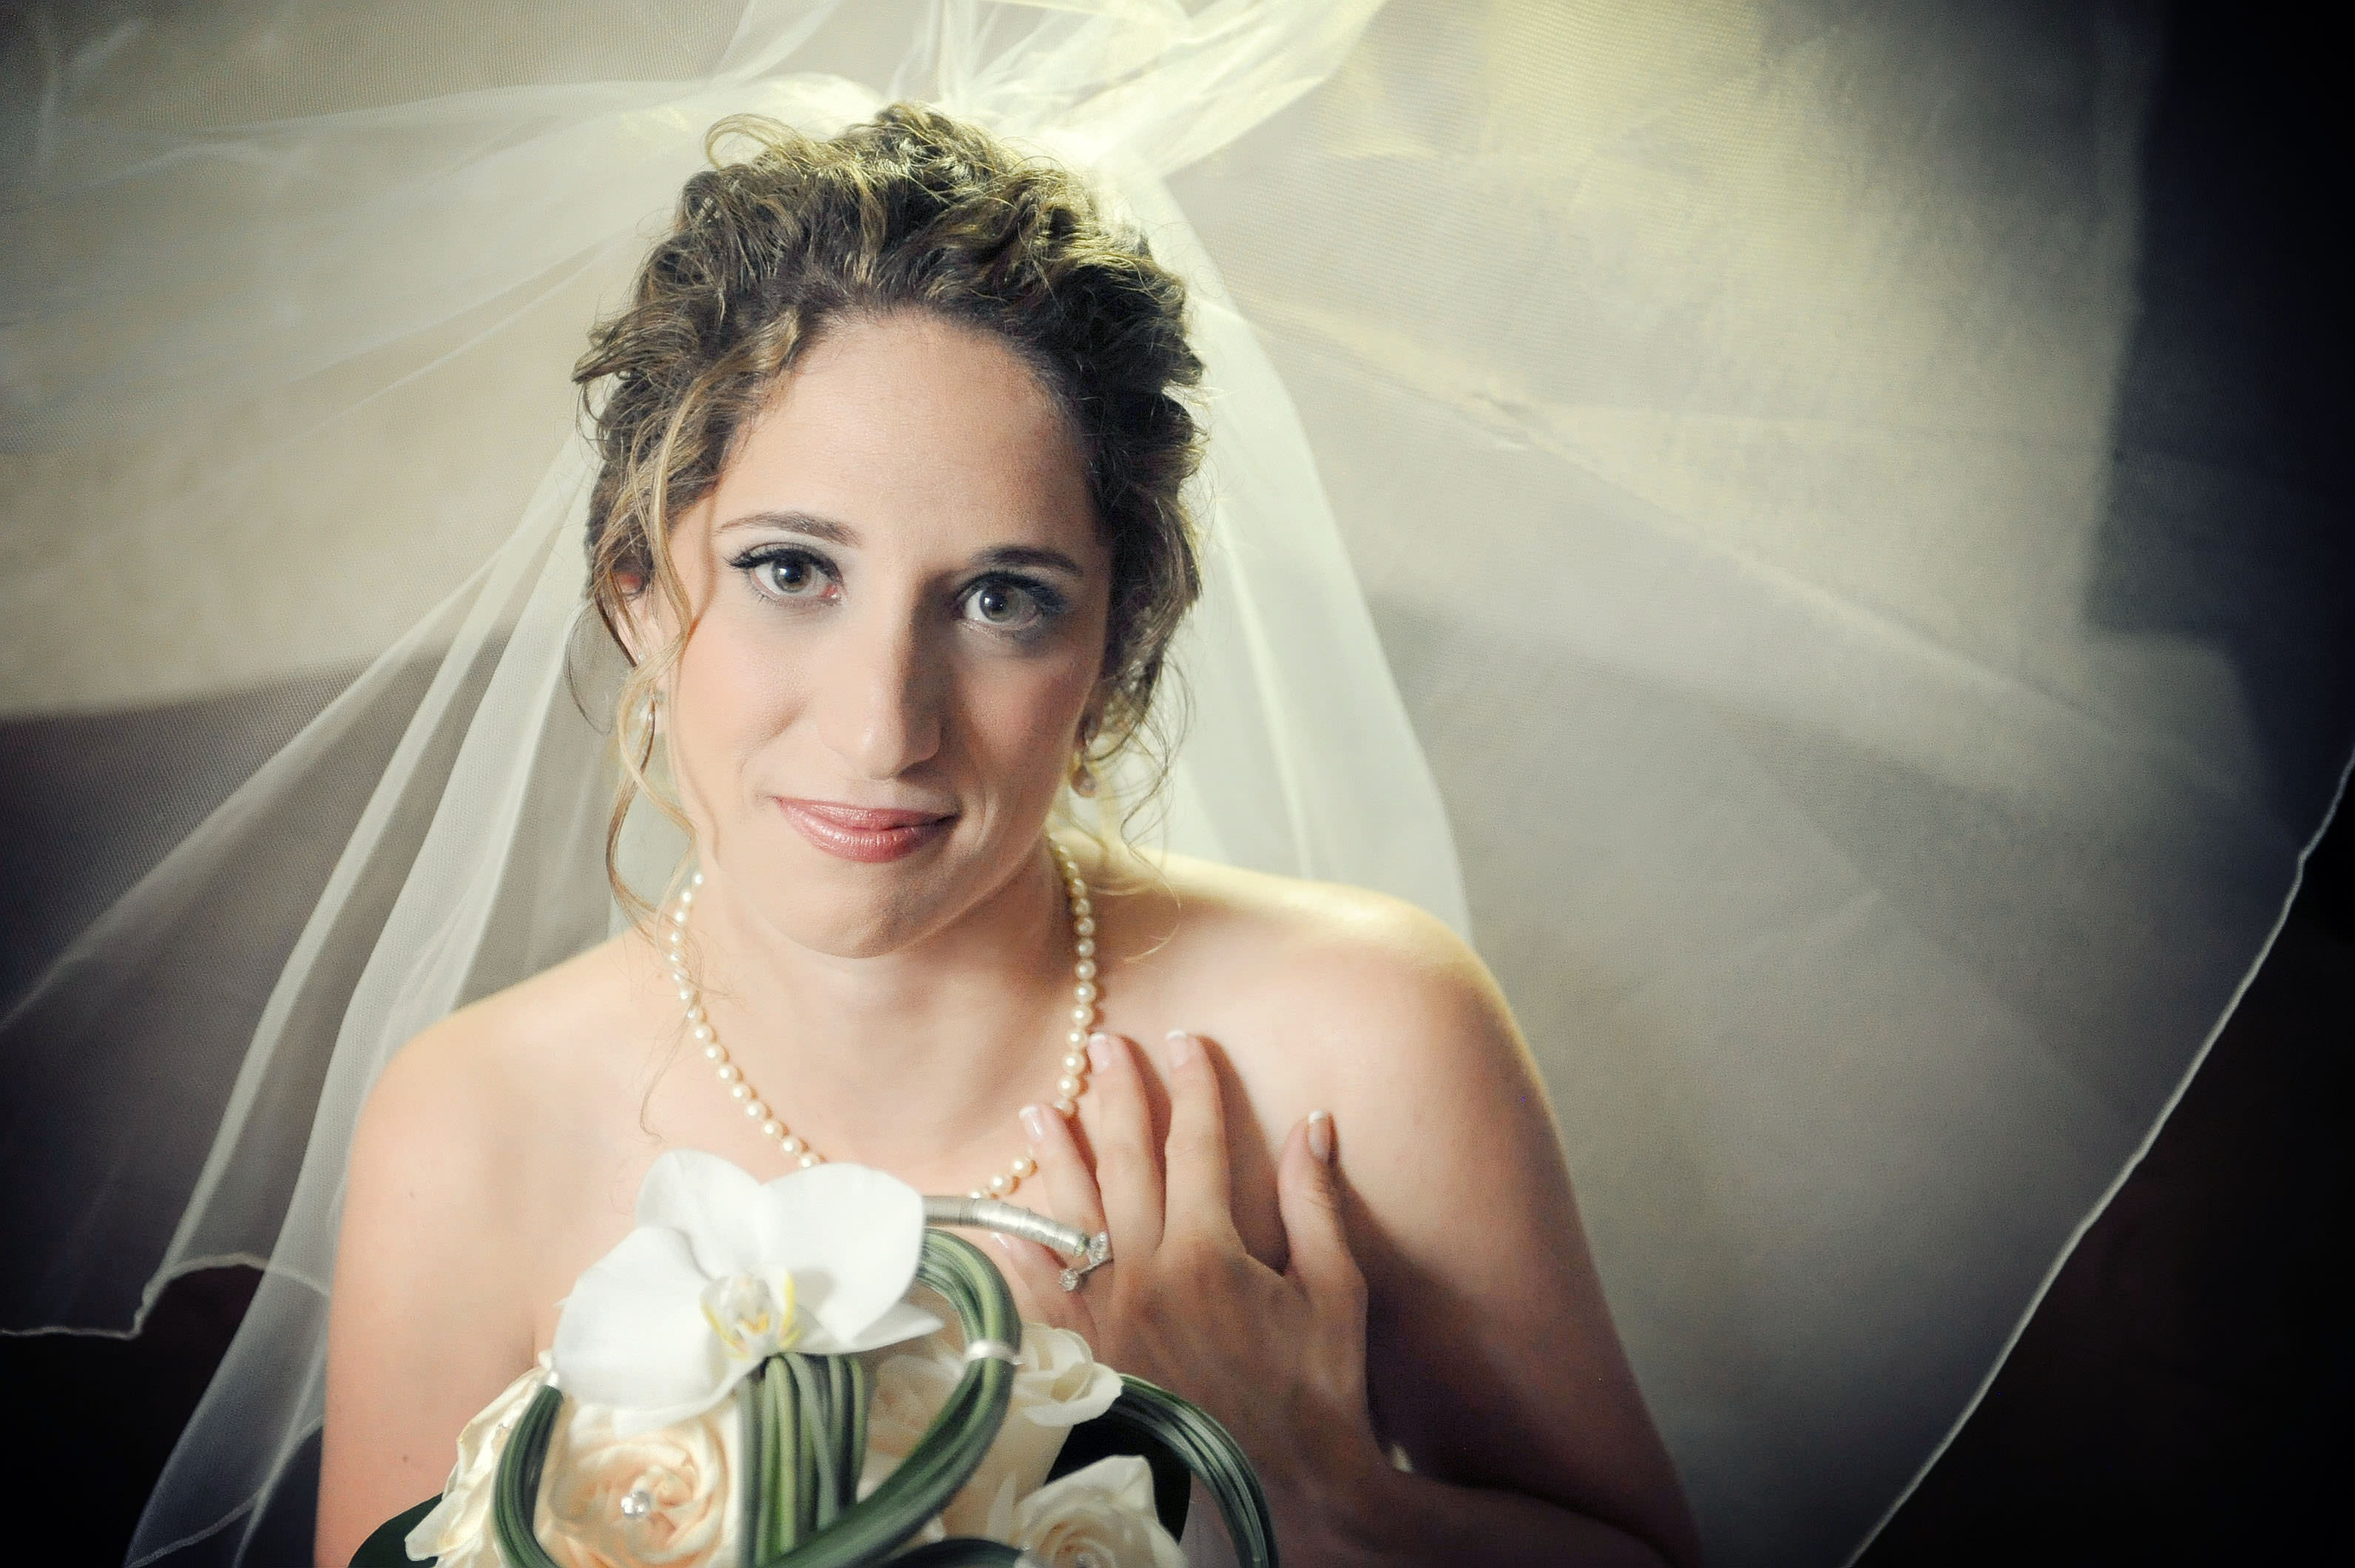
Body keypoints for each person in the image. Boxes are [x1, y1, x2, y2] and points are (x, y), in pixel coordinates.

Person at [317, 107, 1700, 1567]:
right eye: (790, 569)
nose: (881, 728)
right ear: (638, 598)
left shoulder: (1361, 1038)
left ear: (1113, 650)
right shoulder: (469, 1124)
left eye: (999, 600)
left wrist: (1316, 1489)